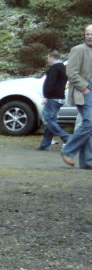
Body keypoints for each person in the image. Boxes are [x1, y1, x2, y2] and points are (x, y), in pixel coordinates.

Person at [60, 24, 92, 170]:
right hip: (84, 92)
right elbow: (71, 72)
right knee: (89, 122)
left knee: (90, 125)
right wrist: (84, 88)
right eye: (88, 34)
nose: (90, 36)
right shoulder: (78, 50)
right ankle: (68, 151)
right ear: (84, 35)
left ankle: (87, 160)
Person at [37, 50, 69, 150]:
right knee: (51, 121)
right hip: (60, 97)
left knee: (48, 120)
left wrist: (46, 96)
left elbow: (50, 83)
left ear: (52, 57)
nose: (48, 60)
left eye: (48, 58)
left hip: (53, 98)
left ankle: (66, 137)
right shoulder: (63, 67)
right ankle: (45, 144)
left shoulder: (55, 68)